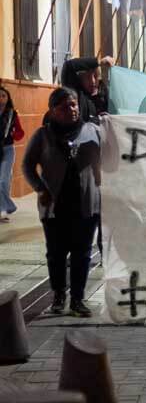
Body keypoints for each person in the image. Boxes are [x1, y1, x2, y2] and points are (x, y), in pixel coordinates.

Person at [23, 88, 101, 317]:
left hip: (86, 204)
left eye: (74, 104)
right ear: (53, 110)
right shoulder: (42, 136)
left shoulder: (94, 131)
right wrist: (40, 188)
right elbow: (27, 166)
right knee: (56, 254)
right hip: (55, 207)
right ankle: (58, 296)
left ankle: (78, 299)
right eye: (65, 106)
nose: (72, 109)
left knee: (82, 253)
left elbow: (113, 156)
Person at [60, 55, 114, 122]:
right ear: (81, 79)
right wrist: (98, 62)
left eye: (95, 76)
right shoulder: (77, 94)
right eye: (88, 77)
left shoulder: (106, 94)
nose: (92, 81)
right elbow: (68, 66)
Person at [0, 87, 24, 222]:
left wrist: (13, 134)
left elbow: (20, 133)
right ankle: (5, 208)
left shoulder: (12, 114)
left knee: (3, 181)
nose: (1, 98)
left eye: (4, 95)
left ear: (8, 98)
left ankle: (5, 208)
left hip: (7, 149)